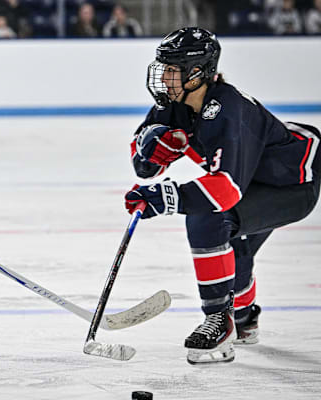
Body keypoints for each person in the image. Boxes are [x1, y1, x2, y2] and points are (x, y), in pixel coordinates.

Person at [124, 27, 320, 364]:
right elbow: (144, 166)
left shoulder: (227, 109)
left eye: (172, 70)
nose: (163, 77)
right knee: (237, 251)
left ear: (196, 73)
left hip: (292, 186)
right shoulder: (175, 104)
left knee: (209, 216)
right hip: (253, 181)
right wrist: (153, 150)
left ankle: (220, 321)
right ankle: (244, 319)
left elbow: (225, 191)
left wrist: (164, 197)